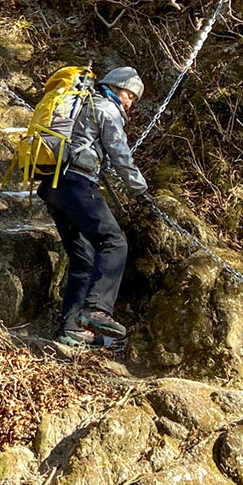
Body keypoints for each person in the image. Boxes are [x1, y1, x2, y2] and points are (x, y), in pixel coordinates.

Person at [38, 65, 148, 347]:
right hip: (76, 183)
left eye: (133, 99)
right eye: (129, 95)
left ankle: (72, 328)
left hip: (53, 186)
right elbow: (121, 154)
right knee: (114, 242)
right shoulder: (106, 108)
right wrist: (140, 190)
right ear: (115, 87)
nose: (129, 102)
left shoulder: (82, 105)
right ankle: (97, 310)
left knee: (84, 257)